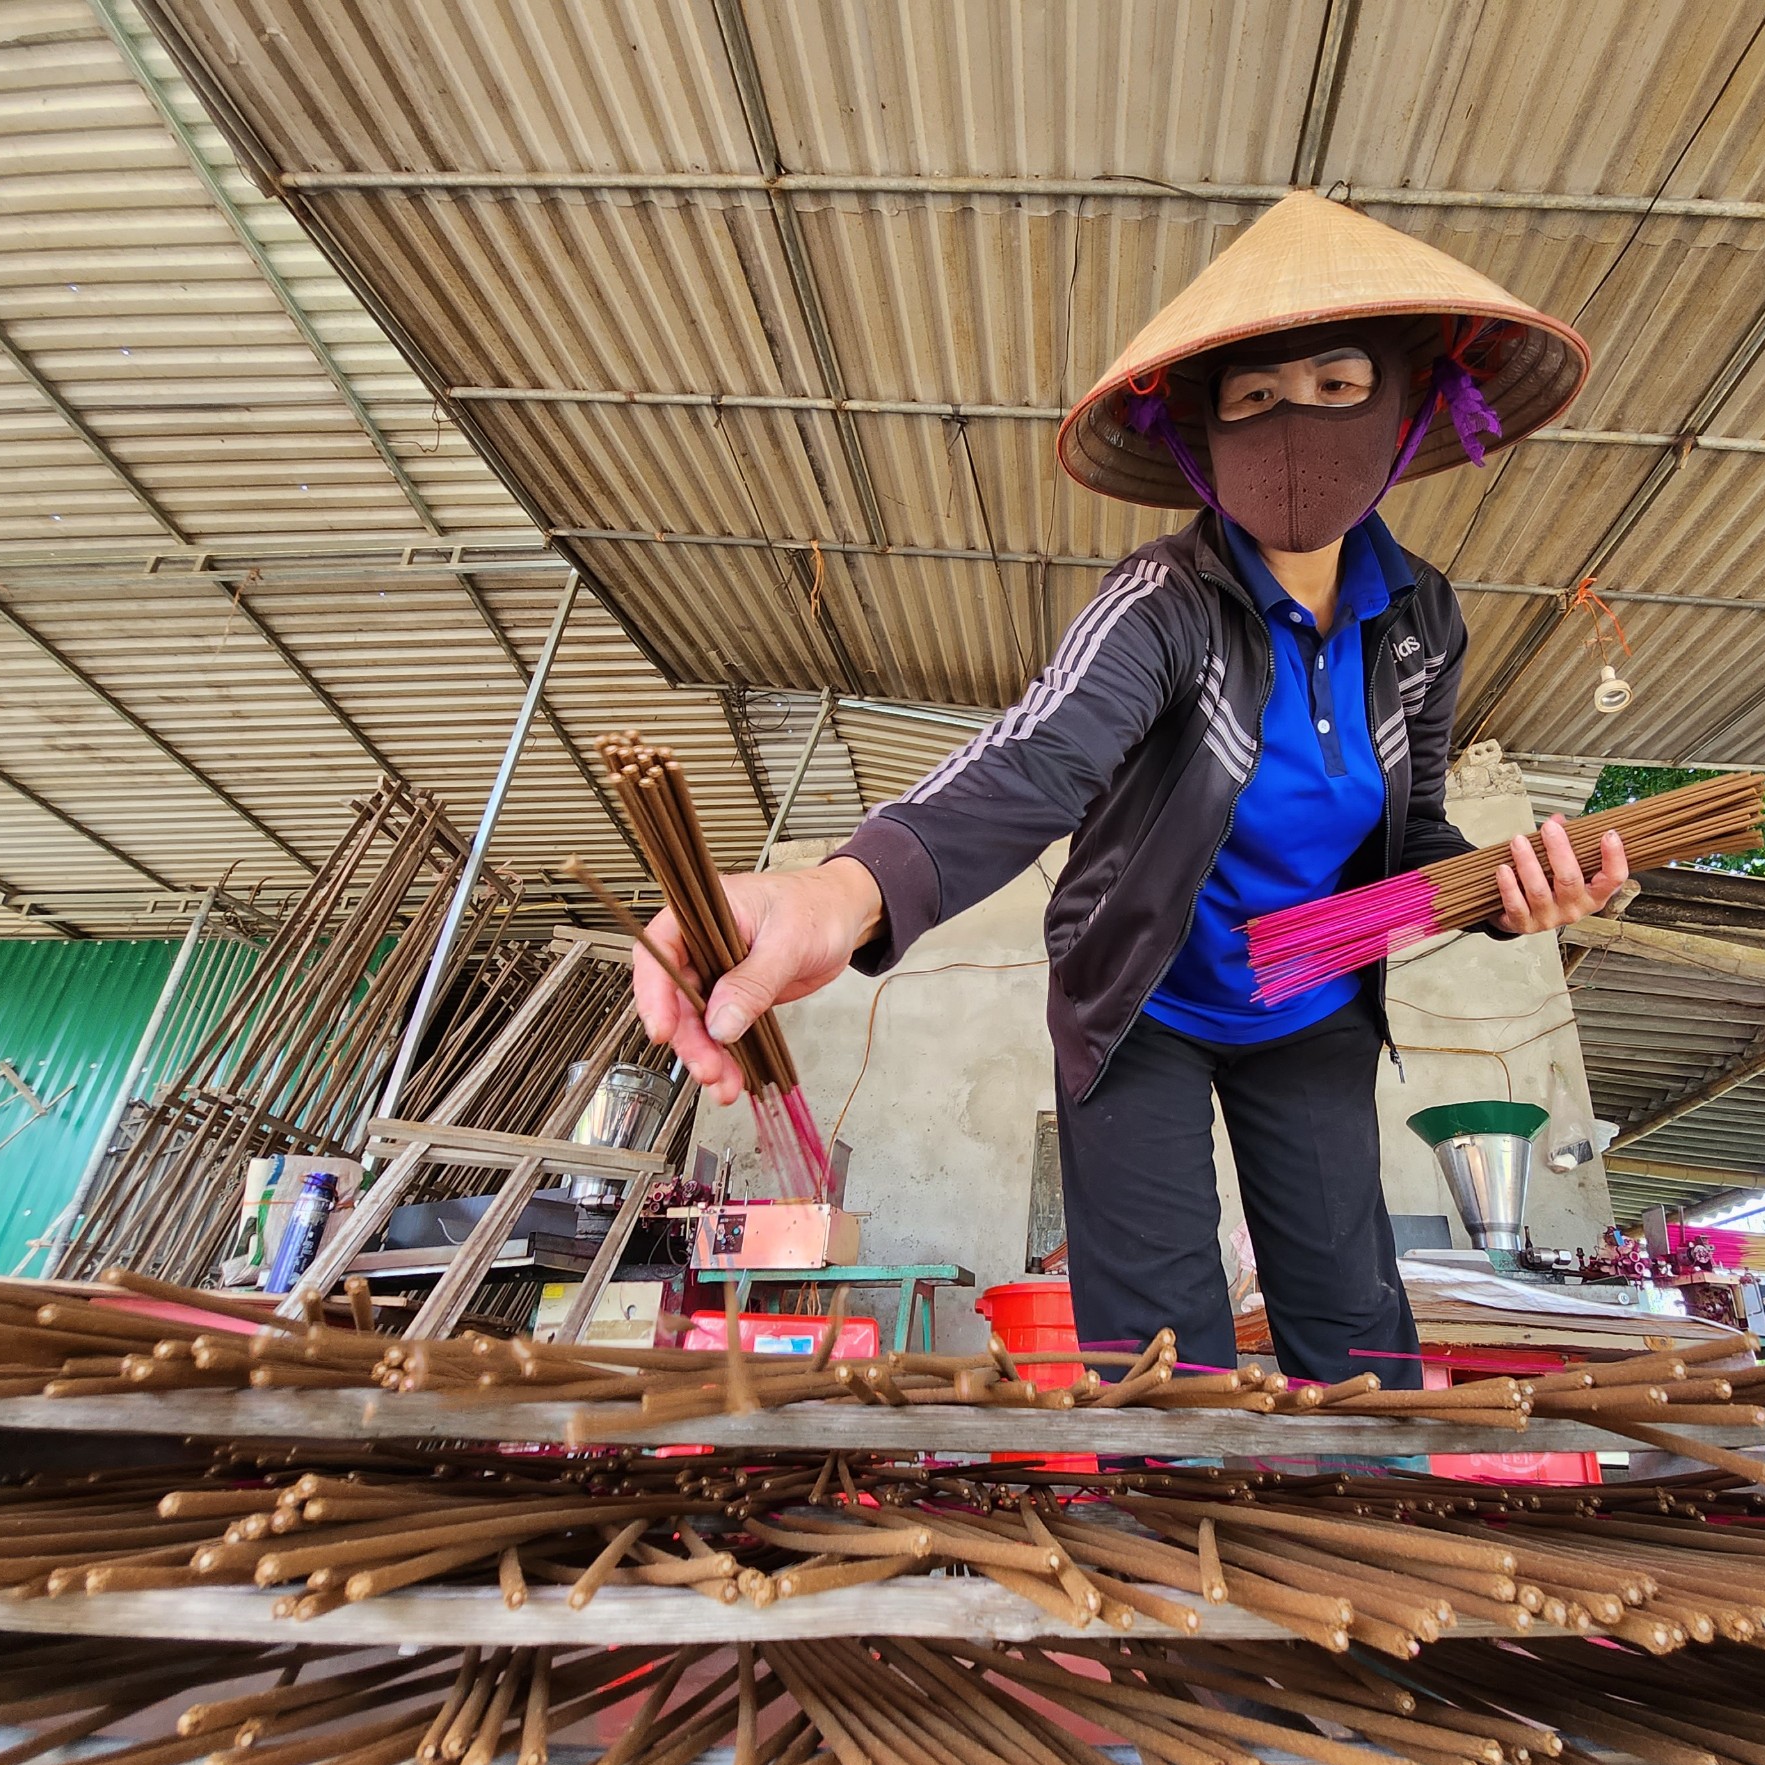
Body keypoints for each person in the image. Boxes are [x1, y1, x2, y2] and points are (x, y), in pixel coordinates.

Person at [632, 192, 1624, 1389]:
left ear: (1404, 403)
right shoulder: (1163, 605)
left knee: (1354, 1329)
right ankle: (1176, 1547)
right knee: (1161, 1353)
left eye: (1334, 383)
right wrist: (840, 892)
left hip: (1312, 995)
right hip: (1143, 1005)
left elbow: (1409, 836)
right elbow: (1036, 758)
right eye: (1252, 399)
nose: (1293, 423)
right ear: (1202, 432)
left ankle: (1356, 1519)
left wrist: (1502, 891)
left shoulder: (1420, 618)